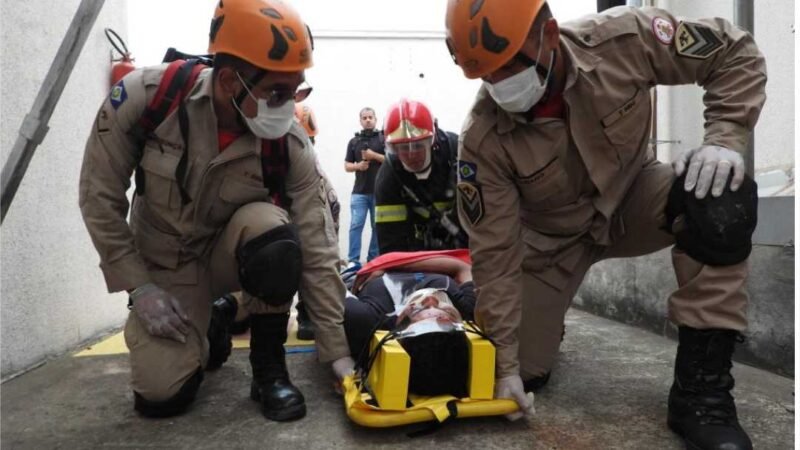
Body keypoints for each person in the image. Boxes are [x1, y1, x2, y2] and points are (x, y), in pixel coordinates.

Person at [445, 1, 765, 447]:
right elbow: (495, 254)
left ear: (549, 35)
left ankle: (700, 393)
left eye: (509, 65)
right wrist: (507, 368)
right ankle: (519, 312)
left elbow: (734, 52)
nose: (500, 84)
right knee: (525, 372)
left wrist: (725, 138)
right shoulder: (483, 139)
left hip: (634, 200)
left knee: (719, 197)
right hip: (551, 247)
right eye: (486, 75)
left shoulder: (624, 41)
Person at [78, 0, 354, 422]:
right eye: (277, 93)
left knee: (274, 235)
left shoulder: (288, 143)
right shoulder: (147, 99)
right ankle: (215, 323)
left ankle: (268, 366)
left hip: (231, 257)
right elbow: (99, 198)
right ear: (228, 81)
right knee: (161, 398)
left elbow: (318, 246)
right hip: (167, 268)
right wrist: (141, 289)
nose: (288, 106)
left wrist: (338, 355)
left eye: (296, 90)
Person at [343, 251, 477, 398]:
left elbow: (329, 285)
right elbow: (463, 267)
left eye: (420, 308)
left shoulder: (366, 318)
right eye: (446, 311)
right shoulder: (467, 309)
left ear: (399, 328)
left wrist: (385, 265)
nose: (431, 299)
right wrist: (389, 264)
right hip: (421, 253)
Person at [374, 99, 467, 253]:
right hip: (418, 250)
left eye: (418, 145)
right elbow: (390, 243)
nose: (411, 155)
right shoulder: (388, 177)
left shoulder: (460, 153)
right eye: (403, 147)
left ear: (432, 141)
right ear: (393, 148)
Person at [344, 107, 385, 264]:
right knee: (356, 225)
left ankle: (372, 260)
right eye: (364, 118)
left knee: (377, 227)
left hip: (379, 192)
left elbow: (391, 160)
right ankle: (353, 261)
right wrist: (358, 166)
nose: (368, 120)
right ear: (360, 121)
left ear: (375, 119)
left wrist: (373, 156)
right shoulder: (354, 142)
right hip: (359, 193)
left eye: (370, 117)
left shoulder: (383, 139)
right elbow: (347, 166)